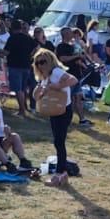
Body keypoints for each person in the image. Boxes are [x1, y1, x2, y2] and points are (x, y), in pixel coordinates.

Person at [32, 47, 76, 184]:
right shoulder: (44, 78)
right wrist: (39, 90)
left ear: (50, 61)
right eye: (38, 62)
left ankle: (59, 173)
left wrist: (58, 85)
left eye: (43, 61)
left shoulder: (56, 72)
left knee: (59, 141)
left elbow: (73, 80)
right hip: (54, 112)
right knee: (58, 141)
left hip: (63, 110)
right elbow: (36, 97)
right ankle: (62, 173)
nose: (41, 65)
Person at [3, 20, 37, 116]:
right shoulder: (27, 37)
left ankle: (22, 110)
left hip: (15, 65)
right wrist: (31, 55)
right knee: (23, 88)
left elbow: (6, 52)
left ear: (12, 28)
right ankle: (24, 107)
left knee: (18, 89)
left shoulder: (12, 38)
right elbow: (37, 47)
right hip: (26, 65)